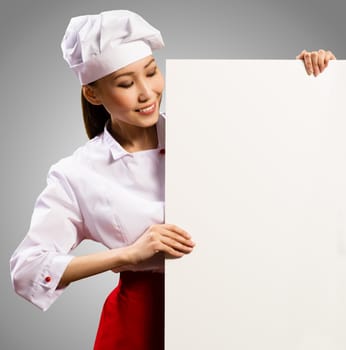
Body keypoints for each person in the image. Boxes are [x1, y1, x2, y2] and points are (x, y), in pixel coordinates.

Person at [9, 9, 336, 350]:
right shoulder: (77, 172)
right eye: (125, 83)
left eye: (151, 73)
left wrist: (310, 83)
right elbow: (27, 270)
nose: (147, 92)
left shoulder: (209, 128)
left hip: (238, 308)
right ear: (94, 94)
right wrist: (128, 255)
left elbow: (294, 160)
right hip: (138, 324)